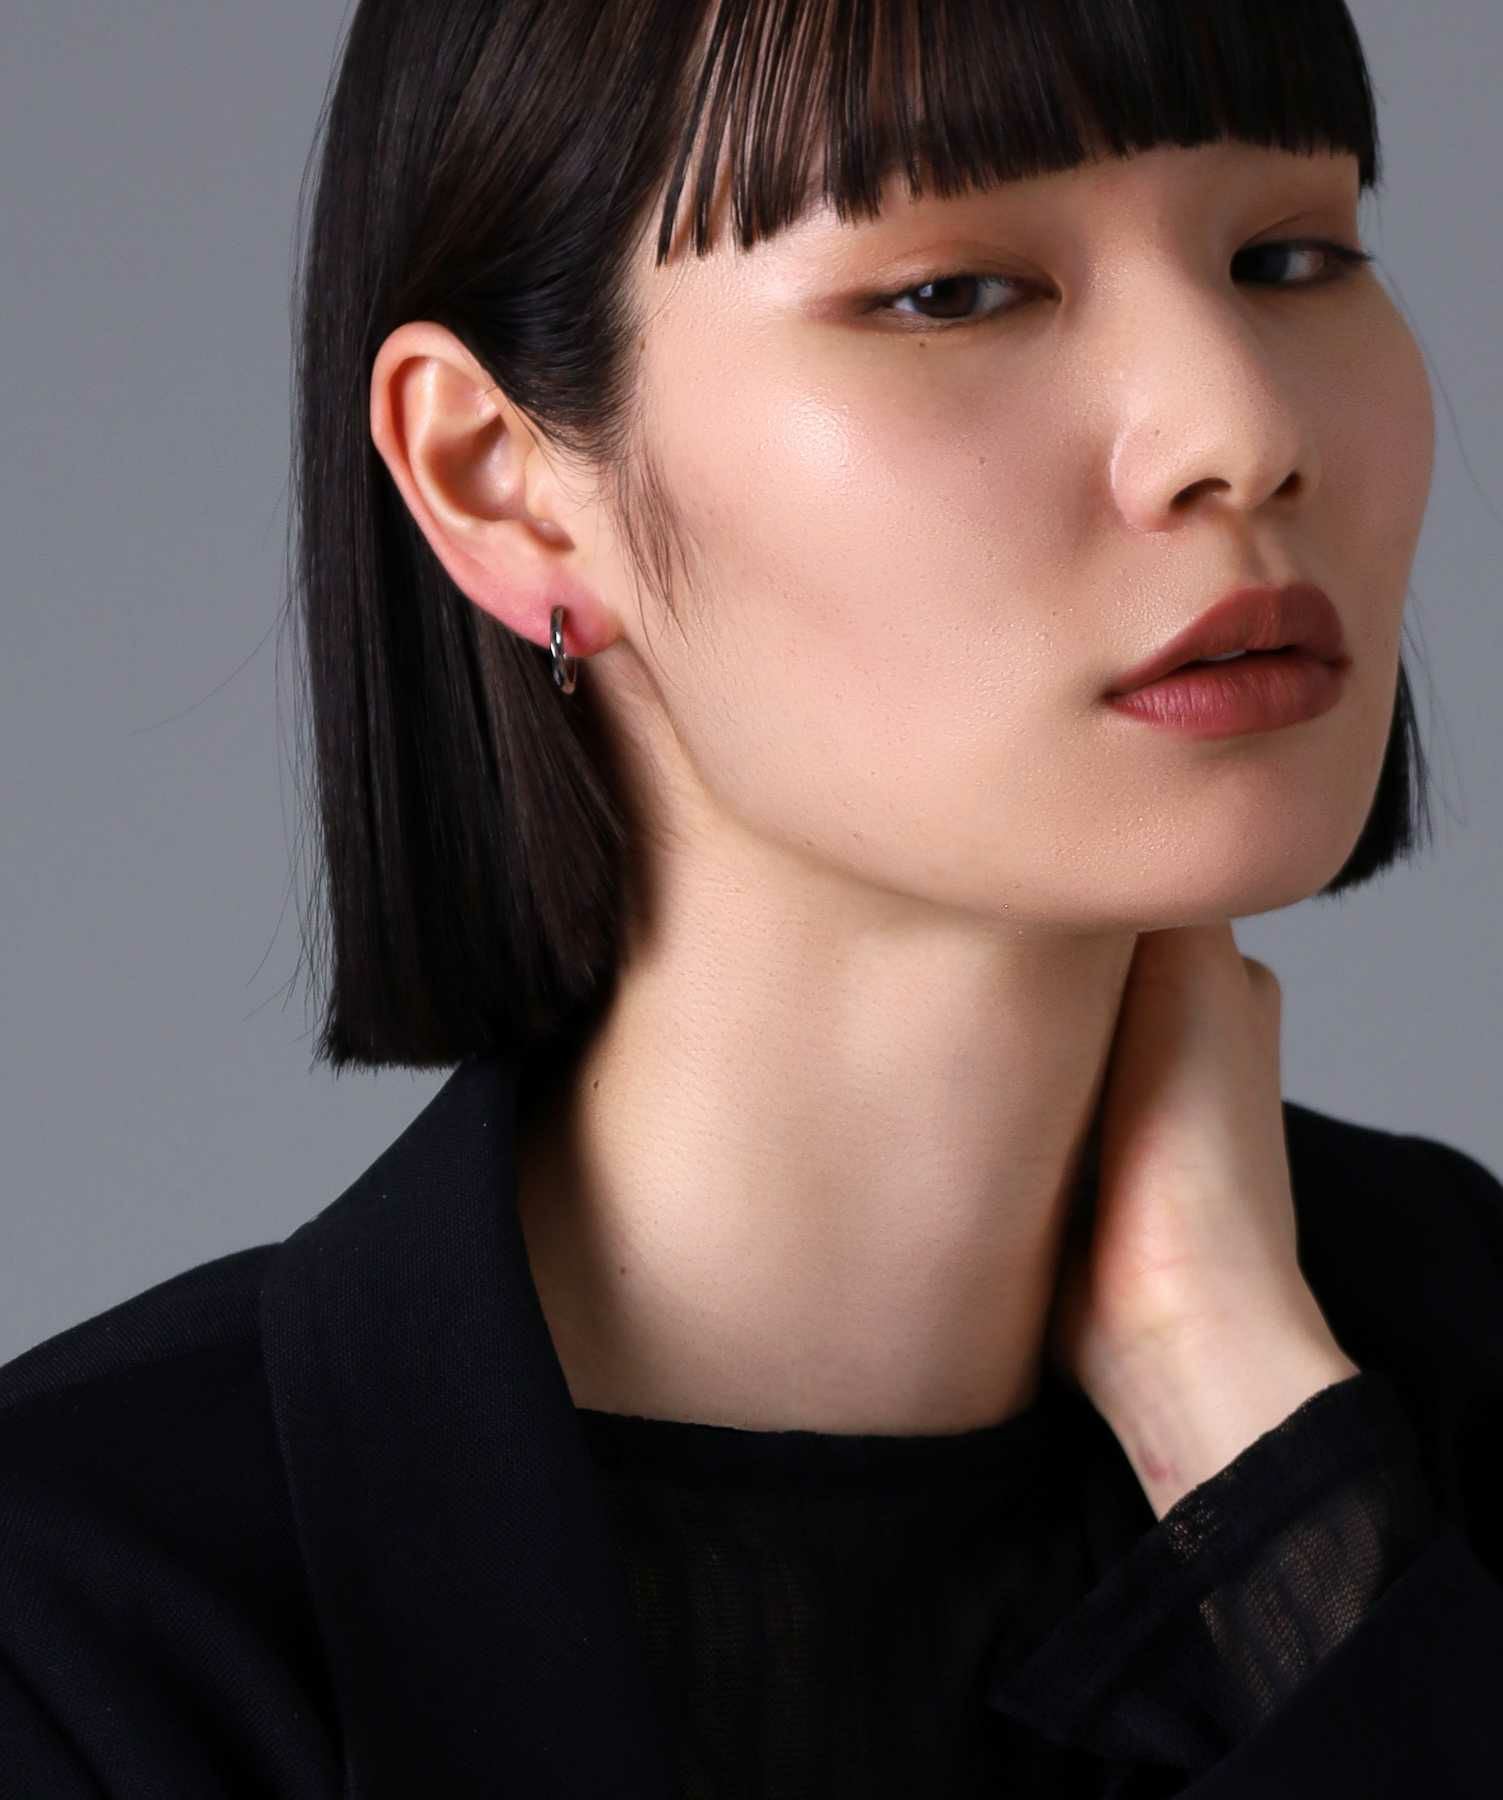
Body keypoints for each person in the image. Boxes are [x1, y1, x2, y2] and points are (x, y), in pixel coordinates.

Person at [4, 2, 1501, 1796]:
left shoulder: (1457, 1370)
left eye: (1291, 256)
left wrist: (1252, 1431)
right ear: (501, 476)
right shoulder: (80, 1630)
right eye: (952, 294)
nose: (1242, 427)